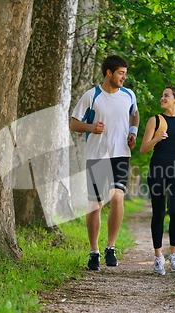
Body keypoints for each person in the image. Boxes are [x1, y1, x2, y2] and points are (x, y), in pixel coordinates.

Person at [70, 55, 140, 270]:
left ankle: (111, 247)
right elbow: (74, 123)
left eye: (125, 73)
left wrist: (133, 132)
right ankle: (94, 251)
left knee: (117, 198)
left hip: (120, 154)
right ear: (109, 73)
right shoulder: (92, 96)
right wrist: (91, 128)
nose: (124, 77)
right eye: (121, 73)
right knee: (95, 204)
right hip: (97, 155)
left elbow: (134, 114)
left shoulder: (128, 95)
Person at [140, 86, 175, 275]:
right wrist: (156, 139)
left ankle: (173, 254)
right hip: (157, 169)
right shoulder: (154, 121)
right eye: (162, 95)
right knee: (158, 212)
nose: (162, 98)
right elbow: (143, 149)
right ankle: (158, 258)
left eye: (166, 96)